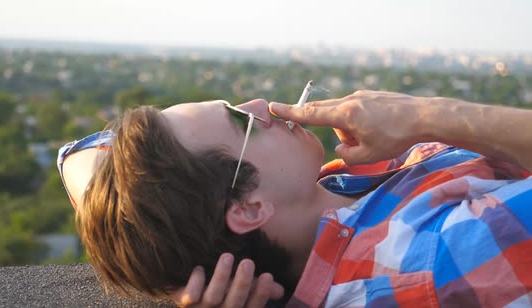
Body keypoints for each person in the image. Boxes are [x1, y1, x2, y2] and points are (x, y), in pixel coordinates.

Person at [58, 90, 532, 307]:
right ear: (248, 208)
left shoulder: (326, 195)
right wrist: (430, 114)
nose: (262, 105)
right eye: (242, 121)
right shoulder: (437, 258)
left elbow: (76, 156)